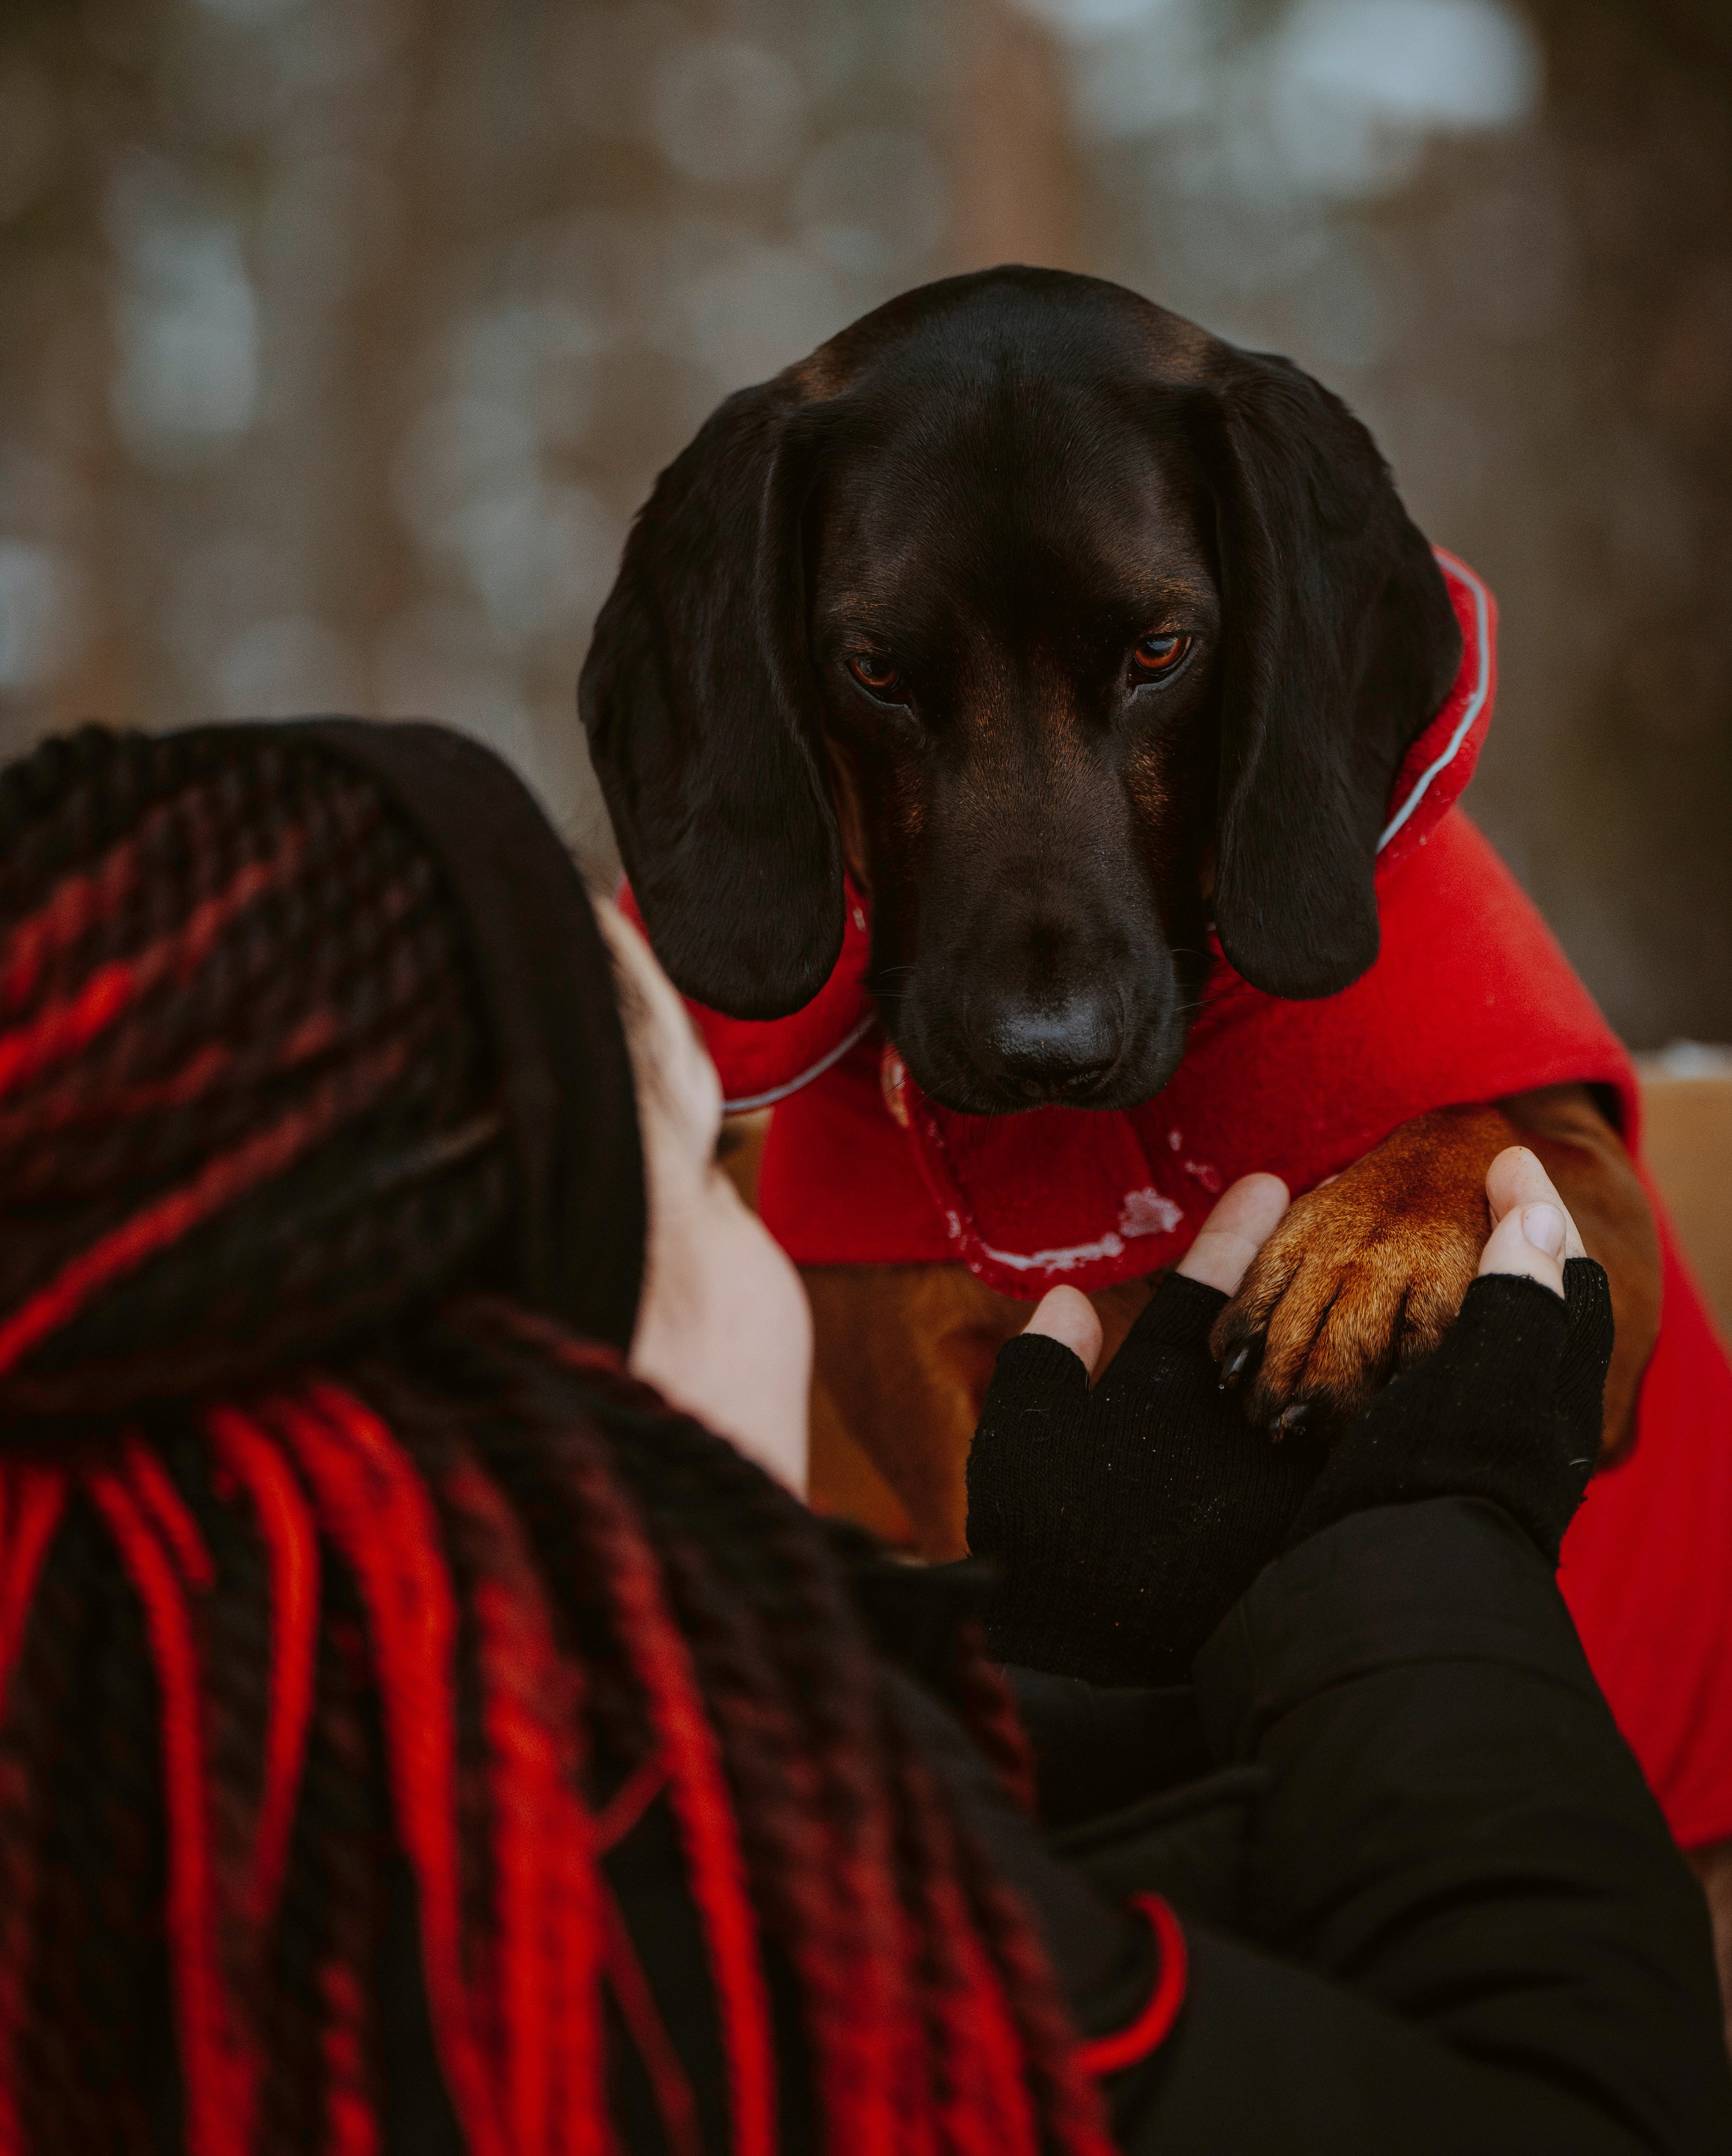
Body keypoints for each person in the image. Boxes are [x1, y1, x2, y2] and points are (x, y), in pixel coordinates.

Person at [0, 717, 1722, 2155]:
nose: (766, 1224)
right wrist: (1418, 1545)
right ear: (532, 1378)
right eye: (696, 1171)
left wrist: (1088, 1669)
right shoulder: (745, 1972)